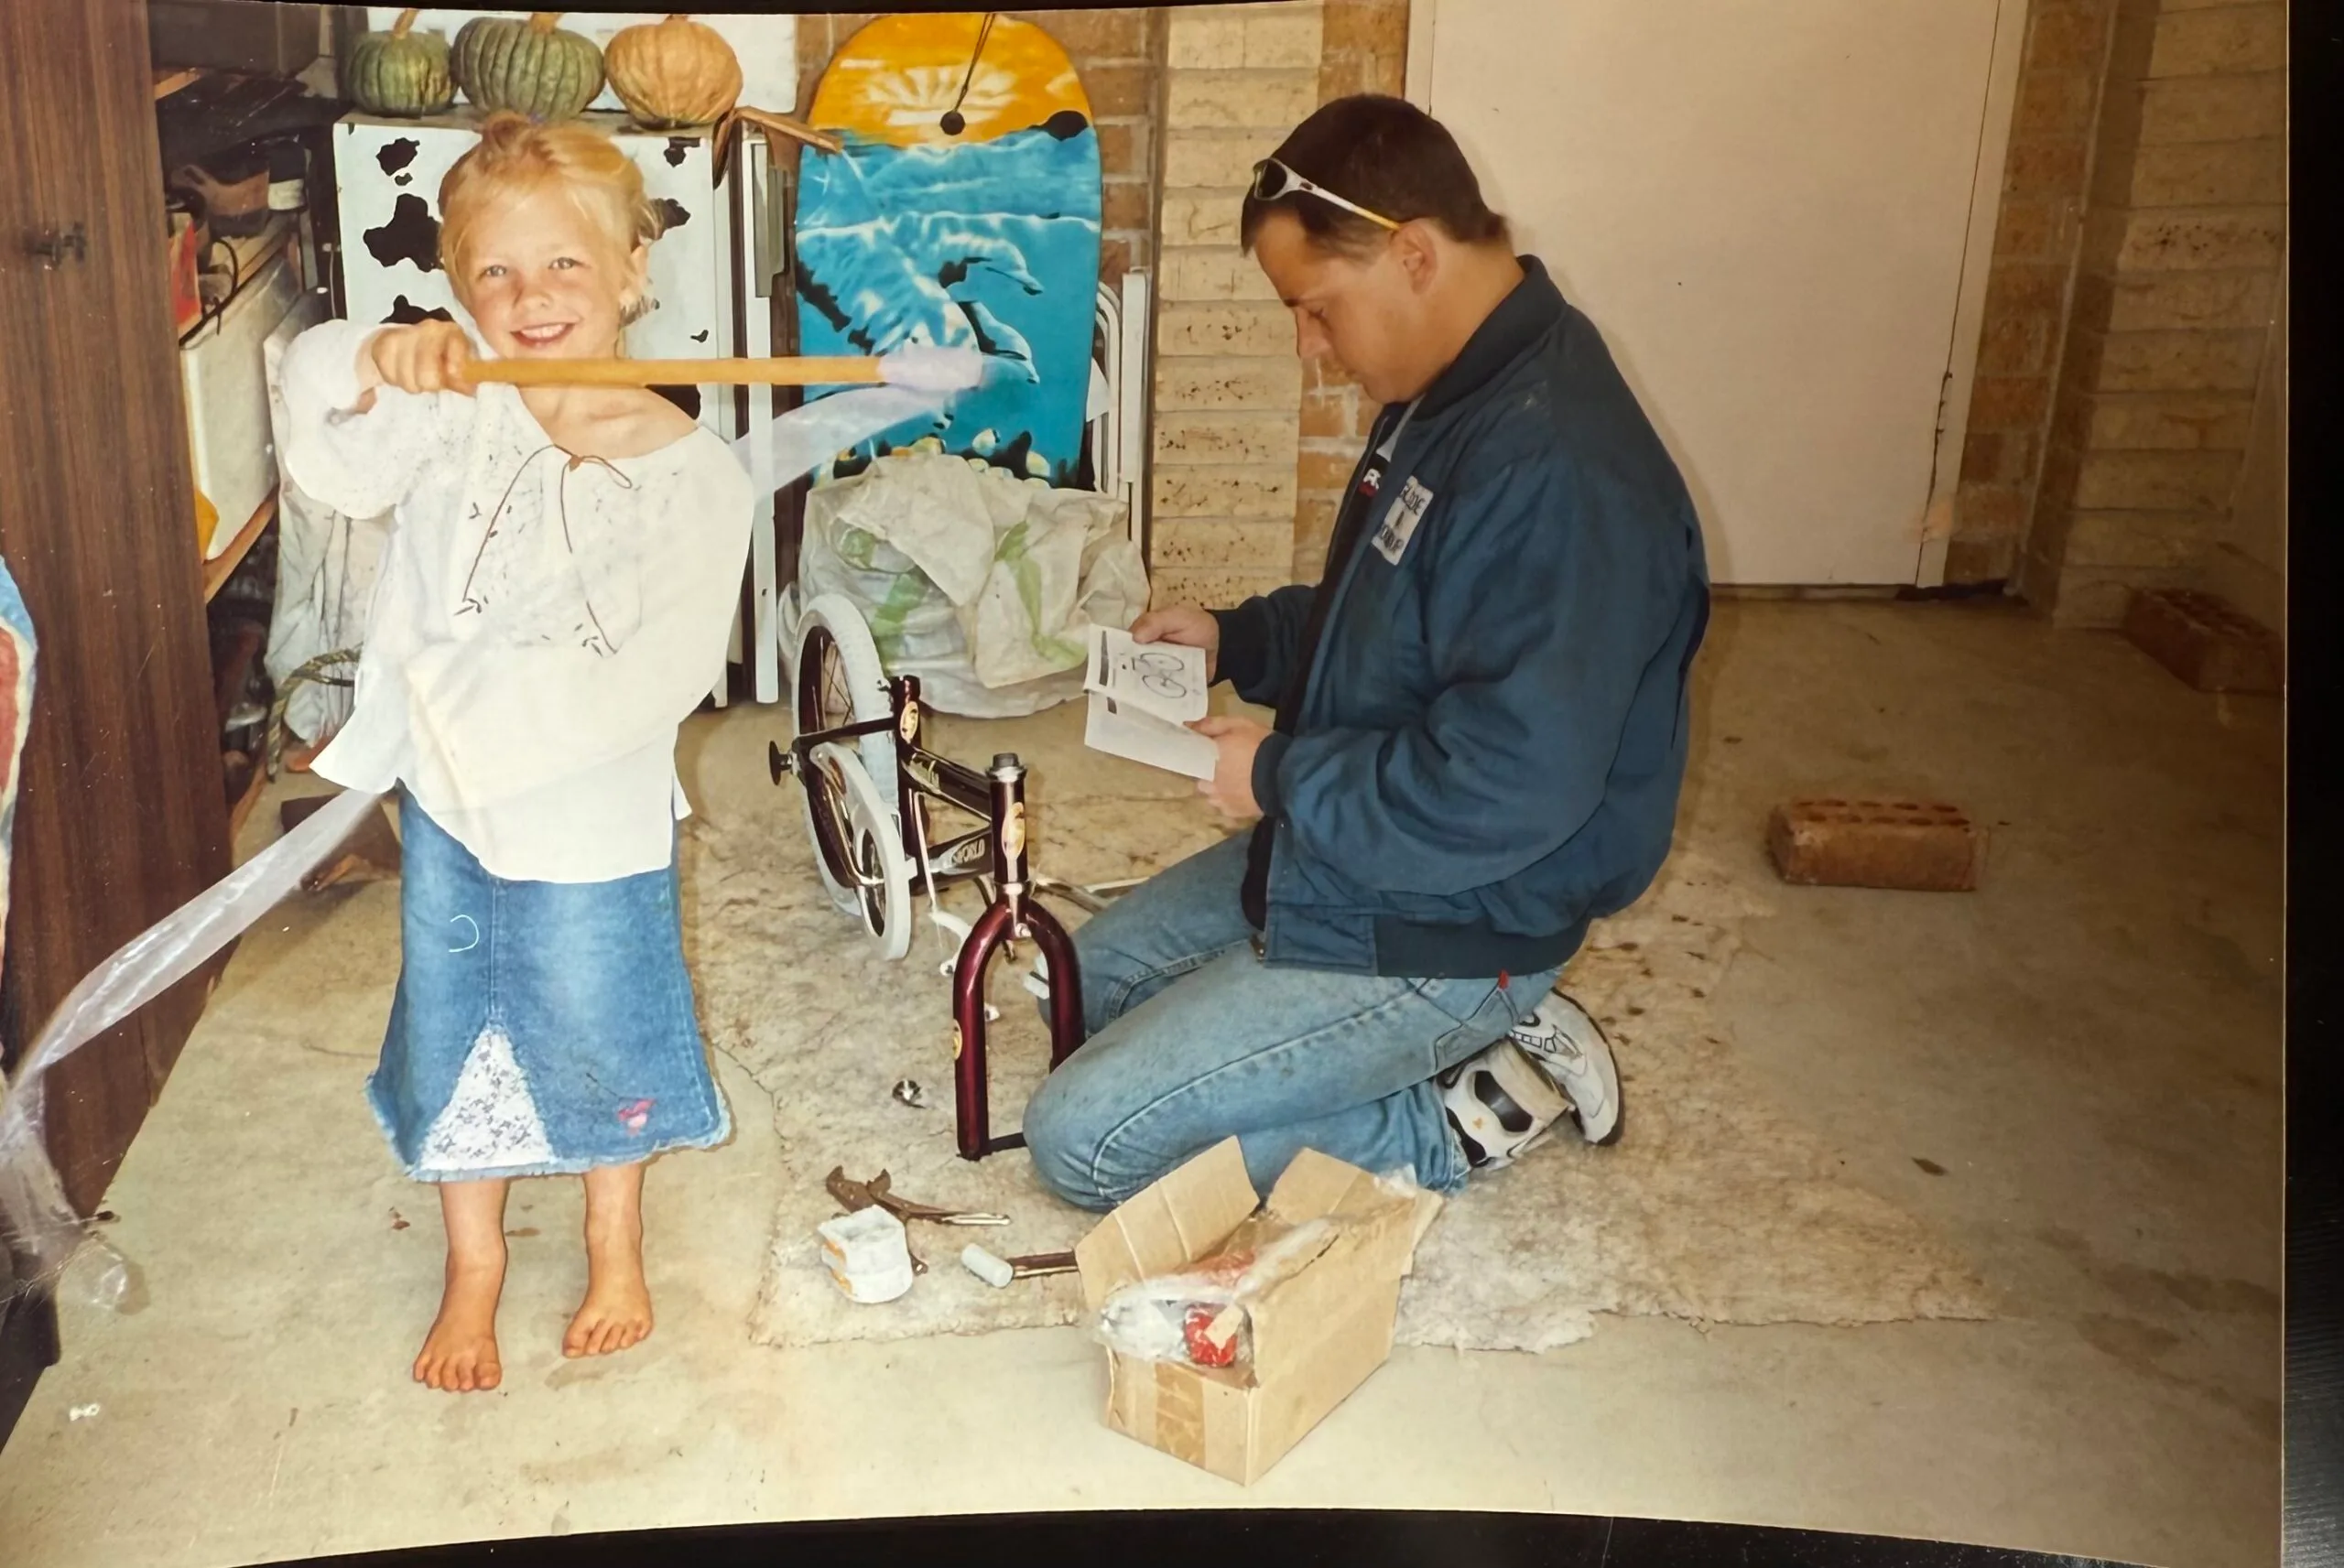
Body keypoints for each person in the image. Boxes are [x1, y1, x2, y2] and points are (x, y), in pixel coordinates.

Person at [1023, 95, 1710, 1210]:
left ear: (1412, 254)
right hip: (1370, 850)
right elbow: (1387, 621)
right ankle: (1395, 1045)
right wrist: (1238, 637)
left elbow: (1503, 785)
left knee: (1087, 1144)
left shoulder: (1559, 472)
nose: (1309, 349)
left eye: (1315, 310)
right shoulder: (1453, 389)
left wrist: (1279, 776)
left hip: (1464, 909)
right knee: (1085, 988)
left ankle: (1465, 1101)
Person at [278, 114, 753, 1391]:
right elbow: (321, 434)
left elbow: (664, 674)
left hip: (587, 822)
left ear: (633, 276)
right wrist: (378, 354)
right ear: (457, 288)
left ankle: (614, 1231)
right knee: (456, 1027)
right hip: (449, 811)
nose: (528, 298)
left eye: (563, 267)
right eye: (493, 273)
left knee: (603, 1022)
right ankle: (474, 1258)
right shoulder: (447, 417)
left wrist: (484, 726)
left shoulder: (696, 475)